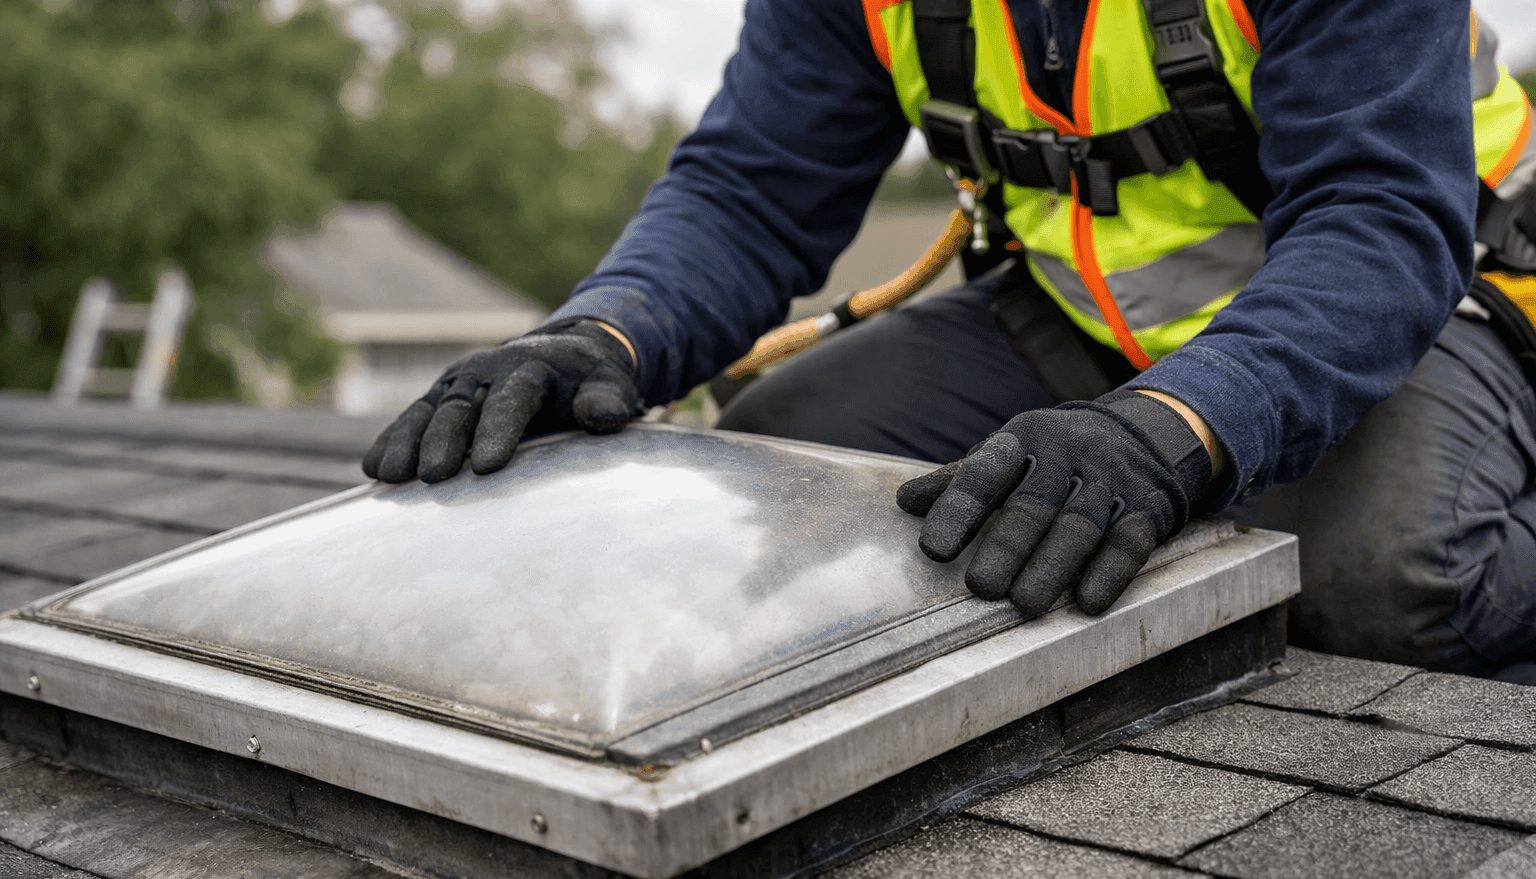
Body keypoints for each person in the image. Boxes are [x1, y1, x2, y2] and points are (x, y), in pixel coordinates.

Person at [364, 0, 1536, 682]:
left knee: (1383, 589)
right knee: (787, 475)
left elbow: (1377, 222)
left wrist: (1176, 429)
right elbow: (751, 189)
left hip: (1429, 307)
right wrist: (603, 333)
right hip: (1085, 327)